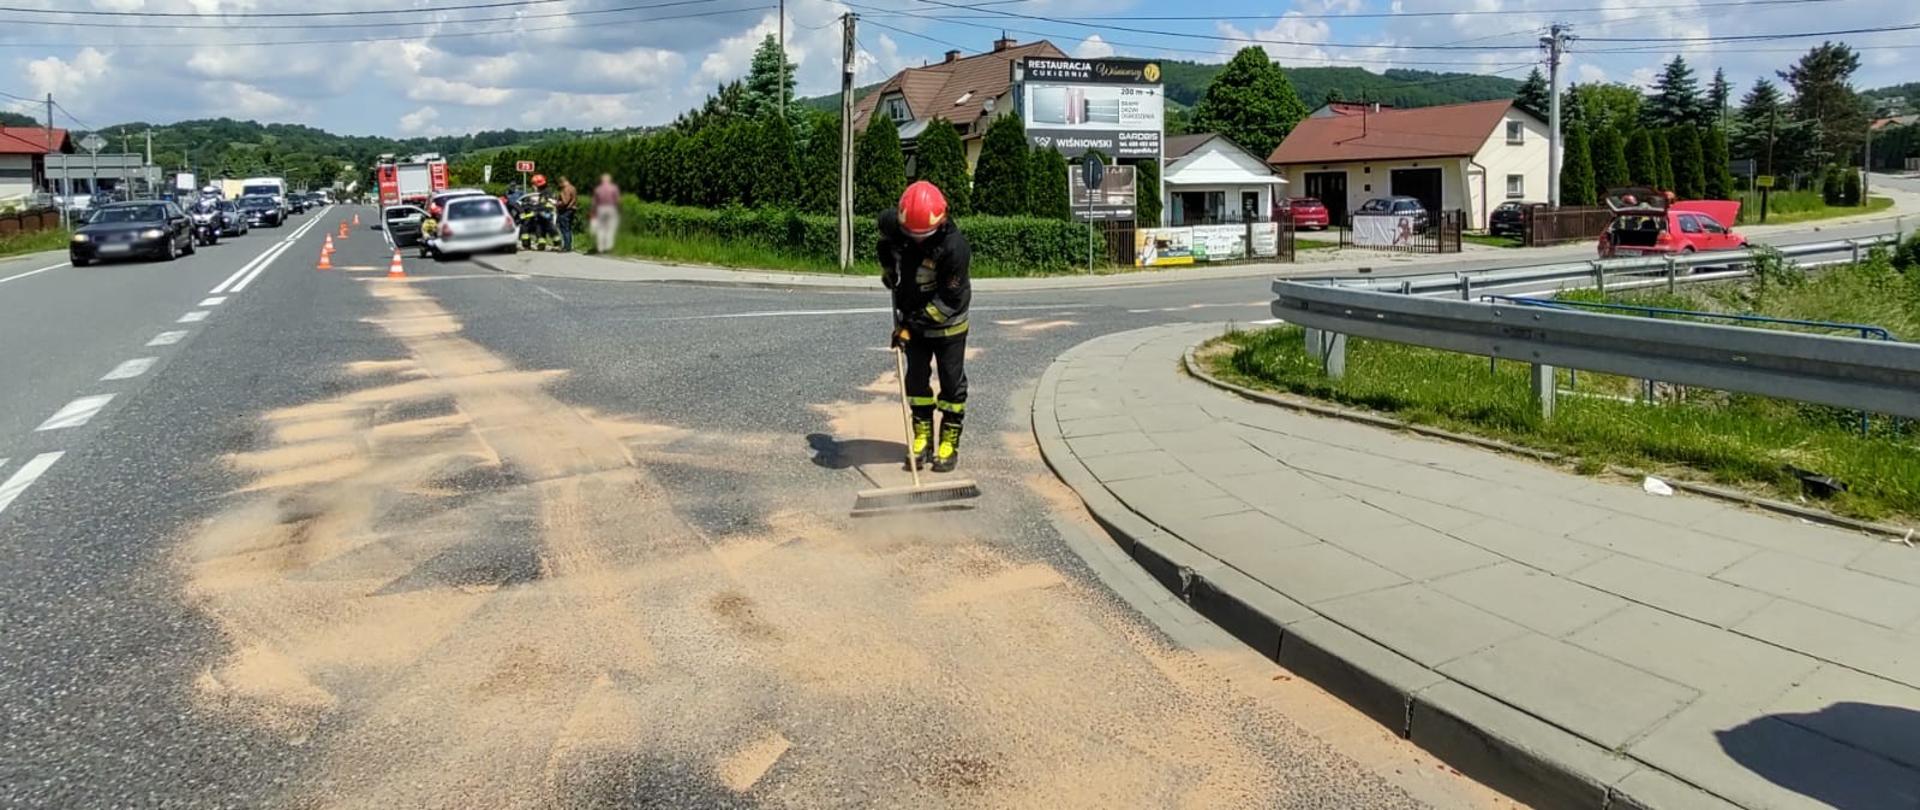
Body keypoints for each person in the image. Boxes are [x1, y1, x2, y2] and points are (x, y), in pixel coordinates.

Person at [878, 180, 972, 473]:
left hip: (948, 326)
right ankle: (922, 437)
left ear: (941, 221)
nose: (918, 241)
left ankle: (949, 441)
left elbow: (948, 302)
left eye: (924, 236)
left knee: (951, 383)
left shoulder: (955, 248)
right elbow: (885, 245)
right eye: (911, 235)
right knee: (916, 382)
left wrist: (909, 328)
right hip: (912, 319)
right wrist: (889, 269)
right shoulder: (898, 226)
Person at [591, 173, 620, 254]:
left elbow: (594, 202)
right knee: (610, 229)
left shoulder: (598, 189)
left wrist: (593, 211)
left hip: (601, 209)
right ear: (610, 180)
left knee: (601, 229)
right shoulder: (614, 188)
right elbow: (617, 201)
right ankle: (609, 247)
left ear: (601, 180)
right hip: (611, 208)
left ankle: (600, 248)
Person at [554, 176, 578, 252]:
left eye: (559, 184)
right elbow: (573, 199)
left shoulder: (565, 189)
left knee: (564, 229)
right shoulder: (573, 188)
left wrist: (557, 203)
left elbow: (565, 202)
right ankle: (569, 245)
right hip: (572, 209)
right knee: (568, 228)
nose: (559, 186)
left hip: (565, 210)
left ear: (562, 182)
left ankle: (566, 247)